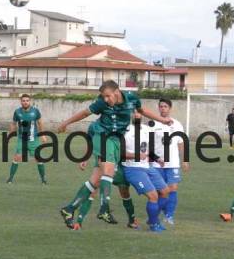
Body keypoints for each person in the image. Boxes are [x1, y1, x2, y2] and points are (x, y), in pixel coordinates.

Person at [58, 80, 172, 227]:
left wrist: (162, 120)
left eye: (108, 96)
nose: (105, 99)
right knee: (109, 171)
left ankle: (69, 209)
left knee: (96, 181)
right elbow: (85, 113)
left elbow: (142, 110)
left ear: (117, 92)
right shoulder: (101, 102)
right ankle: (104, 209)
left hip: (116, 140)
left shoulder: (131, 98)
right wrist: (66, 123)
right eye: (103, 97)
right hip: (103, 136)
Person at [151, 98, 189, 225]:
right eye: (161, 106)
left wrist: (185, 160)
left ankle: (169, 216)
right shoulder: (152, 124)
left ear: (170, 108)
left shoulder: (177, 124)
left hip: (172, 162)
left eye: (165, 106)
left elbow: (181, 142)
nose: (163, 108)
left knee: (173, 188)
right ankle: (156, 215)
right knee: (159, 191)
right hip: (157, 163)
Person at [7, 93, 48, 184]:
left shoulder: (35, 111)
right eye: (23, 101)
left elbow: (40, 123)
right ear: (21, 102)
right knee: (17, 157)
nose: (25, 102)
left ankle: (43, 179)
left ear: (30, 101)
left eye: (27, 101)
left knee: (38, 159)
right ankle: (10, 178)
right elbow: (13, 124)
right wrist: (9, 135)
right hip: (22, 139)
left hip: (33, 139)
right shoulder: (17, 112)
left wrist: (43, 135)